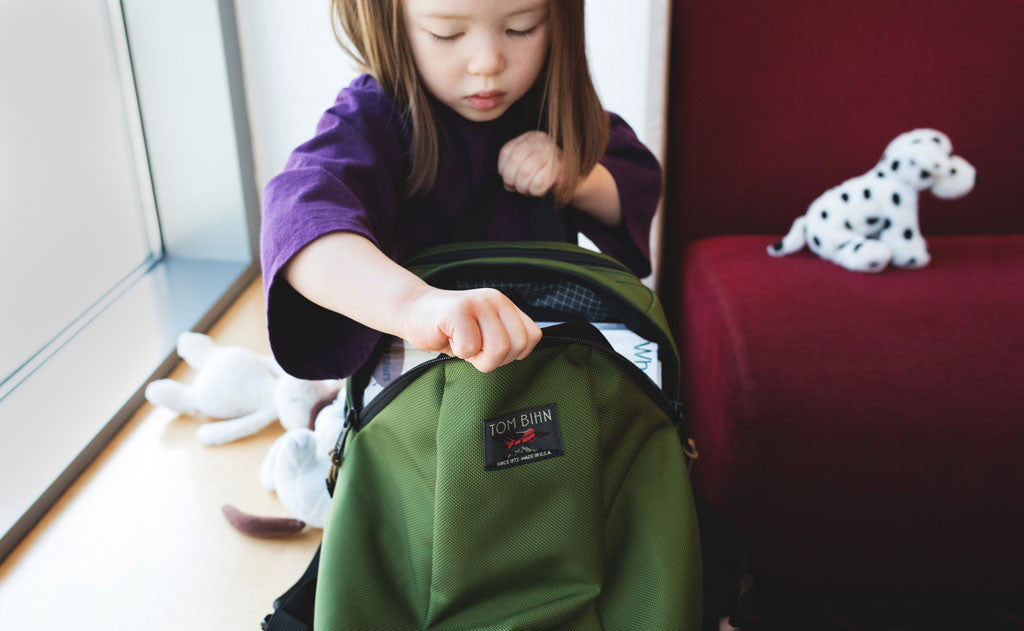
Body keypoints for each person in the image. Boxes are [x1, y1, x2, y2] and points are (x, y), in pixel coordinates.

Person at [260, 0, 663, 380]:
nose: (488, 63)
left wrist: (572, 175)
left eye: (521, 28)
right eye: (447, 33)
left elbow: (637, 188)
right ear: (389, 21)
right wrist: (413, 305)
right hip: (422, 382)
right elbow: (297, 222)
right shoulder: (372, 117)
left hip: (544, 365)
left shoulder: (550, 105)